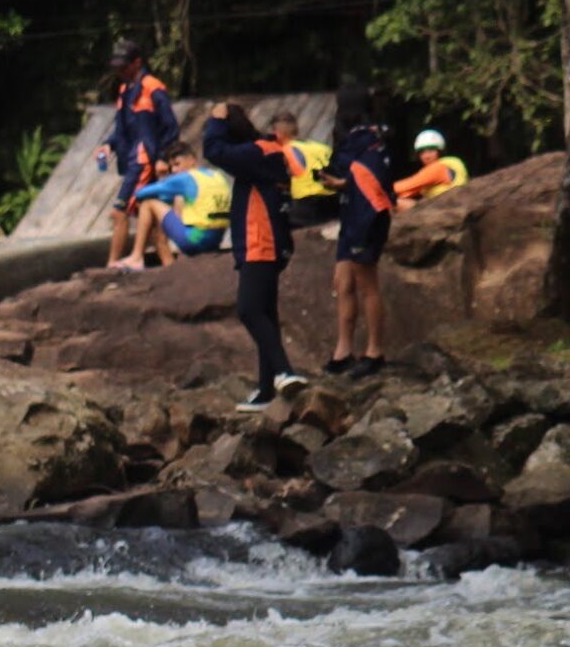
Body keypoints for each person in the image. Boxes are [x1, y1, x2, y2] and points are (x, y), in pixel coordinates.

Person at [200, 101, 304, 410]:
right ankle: (266, 389)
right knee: (265, 314)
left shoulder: (260, 152)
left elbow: (214, 151)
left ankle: (285, 372)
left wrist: (215, 122)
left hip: (263, 242)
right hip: (268, 242)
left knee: (248, 310)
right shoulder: (264, 152)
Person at [321, 87, 396, 378]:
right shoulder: (356, 138)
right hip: (350, 214)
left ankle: (375, 351)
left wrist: (340, 182)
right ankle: (343, 351)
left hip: (367, 215)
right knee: (343, 283)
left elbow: (366, 177)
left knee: (368, 284)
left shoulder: (368, 138)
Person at [94, 38, 178, 268]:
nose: (120, 71)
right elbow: (121, 129)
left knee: (119, 212)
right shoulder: (125, 91)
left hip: (144, 161)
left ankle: (113, 264)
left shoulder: (153, 88)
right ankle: (169, 266)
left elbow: (171, 127)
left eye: (124, 66)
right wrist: (108, 146)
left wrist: (162, 157)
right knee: (148, 219)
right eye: (117, 67)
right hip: (130, 158)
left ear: (137, 63)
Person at [111, 146, 230, 270]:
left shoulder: (186, 178)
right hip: (216, 239)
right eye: (172, 166)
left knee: (149, 203)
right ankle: (168, 263)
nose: (174, 170)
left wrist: (160, 178)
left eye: (177, 164)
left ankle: (136, 257)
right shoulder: (216, 175)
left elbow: (141, 193)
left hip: (195, 239)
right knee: (178, 198)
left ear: (192, 160)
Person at [395, 129, 469, 206]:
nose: (426, 156)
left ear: (439, 151)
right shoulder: (445, 166)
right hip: (448, 207)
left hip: (446, 209)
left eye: (431, 150)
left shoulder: (438, 168)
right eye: (422, 152)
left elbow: (404, 186)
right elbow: (408, 191)